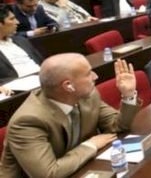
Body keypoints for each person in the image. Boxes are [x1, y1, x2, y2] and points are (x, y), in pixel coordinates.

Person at [0, 55, 140, 177]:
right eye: (88, 74)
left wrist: (128, 95)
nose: (95, 76)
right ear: (68, 86)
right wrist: (91, 145)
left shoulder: (87, 96)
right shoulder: (27, 121)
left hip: (77, 169)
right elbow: (48, 173)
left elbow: (117, 126)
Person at [0, 5, 44, 84]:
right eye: (12, 19)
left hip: (42, 79)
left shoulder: (21, 40)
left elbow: (41, 62)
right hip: (18, 87)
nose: (17, 22)